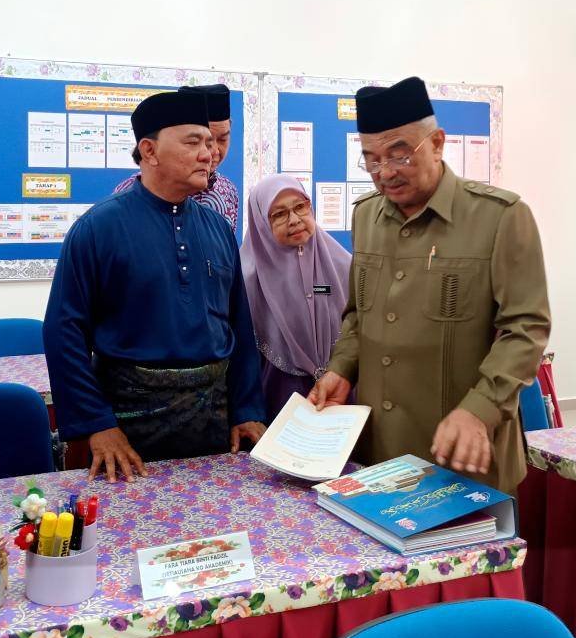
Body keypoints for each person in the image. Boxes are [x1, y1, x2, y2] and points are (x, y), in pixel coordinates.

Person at [310, 77, 550, 494]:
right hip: (378, 452)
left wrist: (481, 409)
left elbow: (525, 329)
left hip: (462, 449)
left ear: (437, 143)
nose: (384, 172)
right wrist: (342, 368)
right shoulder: (366, 217)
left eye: (399, 155)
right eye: (371, 159)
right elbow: (357, 315)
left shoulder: (499, 216)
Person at [44, 90, 266, 484]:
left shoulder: (217, 228)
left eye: (211, 143)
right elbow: (64, 333)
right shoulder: (97, 228)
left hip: (212, 424)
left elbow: (240, 327)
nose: (208, 154)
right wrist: (97, 424)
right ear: (149, 151)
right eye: (193, 142)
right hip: (126, 430)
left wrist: (247, 409)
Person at [240, 173, 351, 418]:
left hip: (339, 393)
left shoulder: (343, 264)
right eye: (279, 214)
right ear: (260, 223)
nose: (294, 220)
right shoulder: (246, 277)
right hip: (276, 394)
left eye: (300, 207)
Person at [114, 84, 240, 230]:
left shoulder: (227, 192)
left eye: (223, 140)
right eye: (194, 142)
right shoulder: (126, 199)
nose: (213, 152)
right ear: (149, 150)